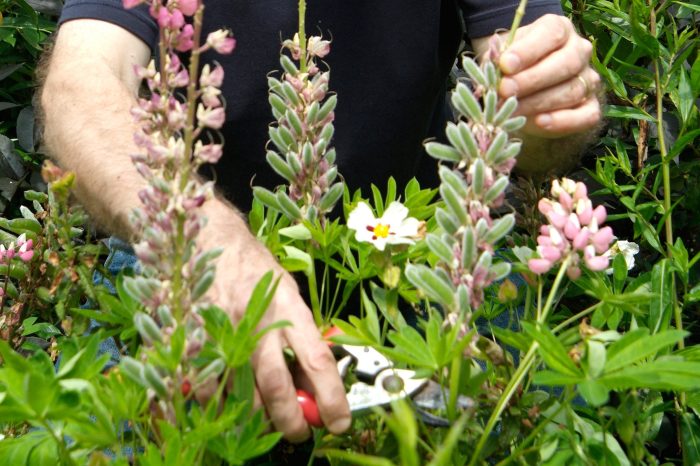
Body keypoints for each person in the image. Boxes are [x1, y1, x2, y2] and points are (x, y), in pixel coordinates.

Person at [39, 0, 602, 442]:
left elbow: (534, 130)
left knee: (538, 417)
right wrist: (197, 232)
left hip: (411, 259)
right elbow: (80, 84)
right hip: (181, 256)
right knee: (90, 435)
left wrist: (548, 107)